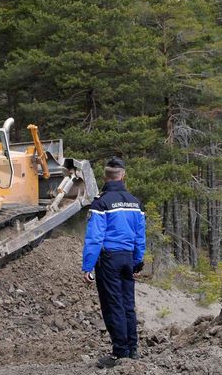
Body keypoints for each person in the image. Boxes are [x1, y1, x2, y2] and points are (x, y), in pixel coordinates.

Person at [82, 157, 146, 369]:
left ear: (105, 177)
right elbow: (140, 236)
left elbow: (95, 238)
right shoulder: (135, 202)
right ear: (123, 176)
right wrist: (137, 260)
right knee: (128, 304)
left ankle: (120, 353)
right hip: (128, 257)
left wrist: (88, 266)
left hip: (109, 259)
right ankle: (132, 349)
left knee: (113, 305)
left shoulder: (101, 202)